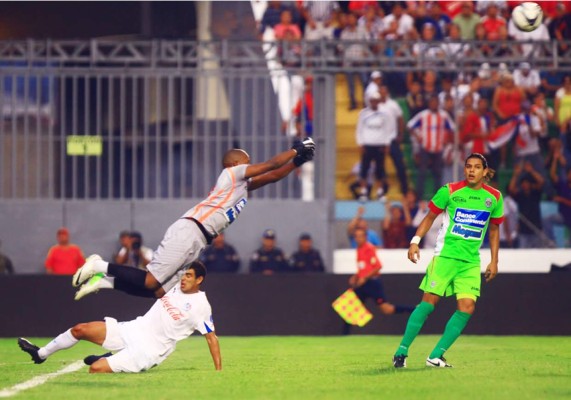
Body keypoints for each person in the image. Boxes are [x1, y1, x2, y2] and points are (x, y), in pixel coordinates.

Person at [72, 139, 316, 300]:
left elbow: (273, 175)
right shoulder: (232, 173)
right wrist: (295, 149)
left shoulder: (240, 185)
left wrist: (297, 162)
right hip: (190, 229)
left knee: (158, 291)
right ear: (235, 163)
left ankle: (104, 282)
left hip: (199, 238)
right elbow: (271, 165)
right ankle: (98, 265)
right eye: (247, 160)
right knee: (150, 279)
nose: (250, 164)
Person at [392, 153, 504, 368]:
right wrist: (415, 241)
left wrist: (494, 261)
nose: (471, 170)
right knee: (428, 304)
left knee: (467, 307)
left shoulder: (495, 198)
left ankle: (435, 356)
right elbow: (429, 217)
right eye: (468, 166)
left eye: (476, 167)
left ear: (484, 171)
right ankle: (401, 352)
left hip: (470, 262)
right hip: (445, 257)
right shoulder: (450, 191)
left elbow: (494, 231)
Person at [18, 261, 221, 373]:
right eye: (184, 274)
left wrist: (218, 372)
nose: (183, 279)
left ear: (199, 280)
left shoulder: (201, 306)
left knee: (95, 369)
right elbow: (144, 284)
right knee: (80, 329)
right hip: (134, 328)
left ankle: (110, 358)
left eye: (189, 276)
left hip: (148, 350)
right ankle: (40, 354)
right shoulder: (174, 286)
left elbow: (211, 338)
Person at [343, 227, 414, 335]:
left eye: (360, 236)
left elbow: (378, 266)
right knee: (350, 307)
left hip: (371, 283)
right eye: (356, 236)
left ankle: (415, 310)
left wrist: (364, 278)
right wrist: (356, 276)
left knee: (387, 309)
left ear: (365, 237)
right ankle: (344, 335)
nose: (357, 239)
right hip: (363, 284)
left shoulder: (369, 248)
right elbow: (363, 267)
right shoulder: (359, 249)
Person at [355, 91, 393, 201]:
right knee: (364, 169)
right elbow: (359, 130)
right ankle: (363, 192)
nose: (374, 103)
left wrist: (387, 143)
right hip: (367, 144)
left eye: (376, 101)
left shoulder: (384, 114)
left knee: (380, 169)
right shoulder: (363, 114)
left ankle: (380, 192)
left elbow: (387, 130)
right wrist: (360, 143)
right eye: (372, 101)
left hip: (380, 145)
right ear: (369, 101)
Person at [509, 162, 547, 248]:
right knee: (523, 254)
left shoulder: (535, 193)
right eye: (523, 183)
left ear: (530, 184)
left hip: (536, 228)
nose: (525, 184)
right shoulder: (520, 195)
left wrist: (531, 171)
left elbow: (541, 181)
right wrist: (515, 175)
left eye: (527, 183)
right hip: (523, 230)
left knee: (538, 254)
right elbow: (511, 189)